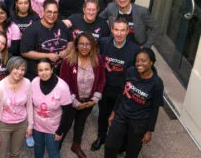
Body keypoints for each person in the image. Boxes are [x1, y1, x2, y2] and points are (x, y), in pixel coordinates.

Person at [90, 18, 140, 151]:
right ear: (111, 30)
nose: (119, 33)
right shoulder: (104, 42)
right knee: (103, 114)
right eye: (116, 30)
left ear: (128, 31)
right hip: (106, 88)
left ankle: (120, 142)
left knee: (120, 118)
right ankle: (101, 137)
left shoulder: (135, 50)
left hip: (123, 92)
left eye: (122, 30)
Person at [104, 48, 164, 158]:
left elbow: (155, 108)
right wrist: (114, 112)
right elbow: (121, 93)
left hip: (139, 122)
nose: (139, 63)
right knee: (110, 145)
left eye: (144, 60)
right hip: (122, 114)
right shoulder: (130, 71)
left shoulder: (157, 84)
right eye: (137, 60)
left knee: (132, 152)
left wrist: (149, 130)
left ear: (151, 62)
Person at [60, 32, 105, 158]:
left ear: (92, 45)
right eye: (81, 44)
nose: (84, 47)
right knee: (65, 124)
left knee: (81, 123)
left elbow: (102, 79)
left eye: (87, 44)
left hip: (88, 101)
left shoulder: (98, 59)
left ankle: (76, 145)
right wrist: (74, 102)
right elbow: (64, 84)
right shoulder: (68, 61)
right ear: (76, 45)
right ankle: (56, 146)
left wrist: (95, 99)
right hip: (71, 101)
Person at [31, 59, 74, 158]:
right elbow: (29, 104)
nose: (43, 73)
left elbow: (68, 112)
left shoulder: (62, 87)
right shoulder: (34, 82)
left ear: (52, 69)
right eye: (40, 70)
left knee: (53, 152)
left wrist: (60, 131)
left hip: (53, 128)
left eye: (46, 69)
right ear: (37, 72)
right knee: (38, 150)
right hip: (37, 125)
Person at [0, 57, 33, 158]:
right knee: (1, 154)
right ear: (10, 68)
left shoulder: (27, 83)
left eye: (23, 69)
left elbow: (29, 105)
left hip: (21, 124)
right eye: (17, 68)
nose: (20, 72)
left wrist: (30, 125)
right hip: (4, 125)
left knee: (15, 153)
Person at [21, 0, 72, 80]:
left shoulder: (62, 25)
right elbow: (25, 52)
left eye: (55, 12)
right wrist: (47, 55)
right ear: (43, 11)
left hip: (60, 72)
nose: (52, 15)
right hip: (39, 74)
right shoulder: (32, 30)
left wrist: (67, 50)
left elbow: (71, 41)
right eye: (49, 12)